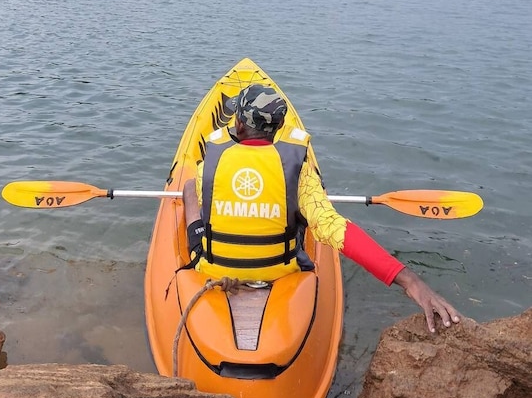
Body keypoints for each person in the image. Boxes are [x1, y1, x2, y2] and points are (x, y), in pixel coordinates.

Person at [182, 84, 461, 334]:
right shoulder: (300, 174)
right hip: (279, 271)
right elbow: (338, 231)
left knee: (190, 188)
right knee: (304, 214)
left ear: (239, 125)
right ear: (279, 128)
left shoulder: (209, 167)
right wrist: (410, 281)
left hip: (213, 267)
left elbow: (210, 194)